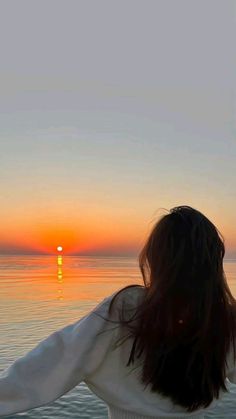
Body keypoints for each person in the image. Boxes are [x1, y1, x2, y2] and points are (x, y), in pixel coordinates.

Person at [0, 205, 236, 419]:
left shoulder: (128, 308)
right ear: (214, 262)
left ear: (156, 259)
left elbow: (57, 359)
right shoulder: (226, 320)